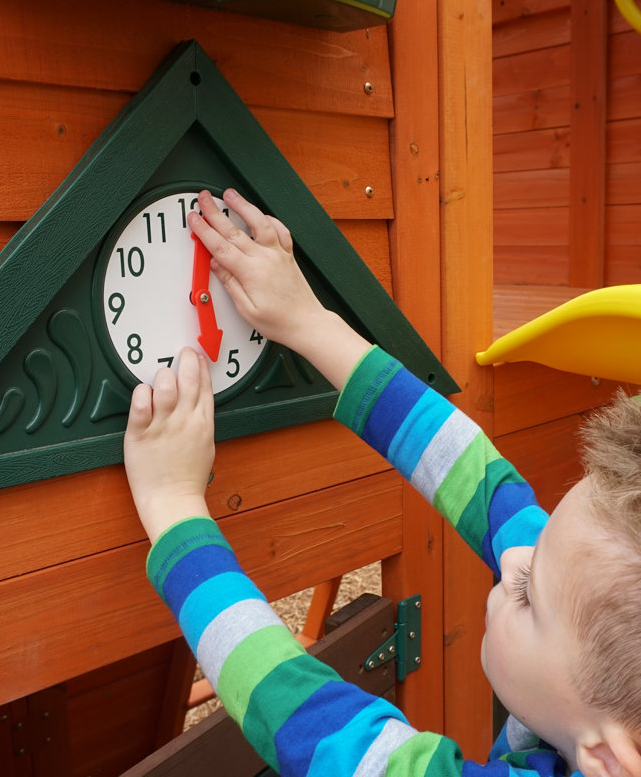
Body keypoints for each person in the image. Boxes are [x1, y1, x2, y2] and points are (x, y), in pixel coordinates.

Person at [123, 188, 641, 777]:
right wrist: (310, 323)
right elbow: (480, 479)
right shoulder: (598, 652)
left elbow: (296, 710)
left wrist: (172, 506)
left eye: (526, 595)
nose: (512, 564)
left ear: (607, 760)